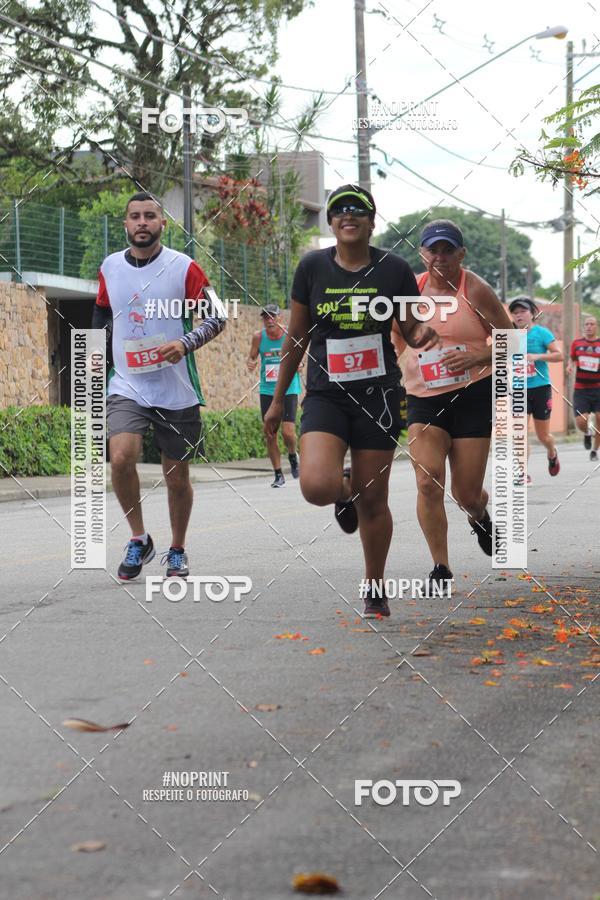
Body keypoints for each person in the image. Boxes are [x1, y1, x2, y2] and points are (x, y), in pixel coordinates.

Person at [264, 184, 439, 619]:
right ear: (330, 222)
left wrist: (422, 335)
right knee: (315, 485)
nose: (347, 215)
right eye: (339, 209)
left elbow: (411, 328)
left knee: (375, 498)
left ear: (371, 220)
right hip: (326, 393)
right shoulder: (311, 267)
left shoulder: (394, 269)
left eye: (357, 210)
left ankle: (375, 585)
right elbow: (298, 335)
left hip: (378, 393)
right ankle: (344, 494)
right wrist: (276, 399)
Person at [92, 191, 226, 580]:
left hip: (176, 387)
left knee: (176, 476)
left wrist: (185, 343)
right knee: (120, 458)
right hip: (128, 383)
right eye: (134, 216)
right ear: (125, 224)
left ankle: (178, 548)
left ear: (162, 223)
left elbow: (217, 317)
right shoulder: (111, 267)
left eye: (150, 216)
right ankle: (138, 539)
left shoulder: (183, 267)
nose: (142, 223)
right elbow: (101, 311)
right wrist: (97, 353)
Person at [392, 220, 514, 594]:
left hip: (472, 396)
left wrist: (480, 355)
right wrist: (407, 366)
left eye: (448, 250)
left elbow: (513, 338)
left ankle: (480, 516)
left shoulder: (474, 288)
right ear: (423, 254)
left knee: (466, 494)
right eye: (433, 250)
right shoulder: (409, 290)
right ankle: (440, 568)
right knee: (427, 480)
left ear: (461, 253)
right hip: (424, 398)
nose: (439, 258)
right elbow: (396, 335)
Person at [247, 303, 301, 486]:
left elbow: (300, 355)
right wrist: (251, 363)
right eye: (265, 318)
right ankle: (278, 474)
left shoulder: (289, 335)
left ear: (280, 318)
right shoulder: (258, 337)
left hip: (289, 387)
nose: (269, 321)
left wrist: (299, 364)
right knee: (270, 433)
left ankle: (293, 455)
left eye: (272, 317)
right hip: (268, 389)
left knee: (288, 433)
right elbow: (252, 356)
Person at [509, 297, 563, 481]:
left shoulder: (541, 333)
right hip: (518, 390)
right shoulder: (509, 334)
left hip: (540, 388)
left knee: (543, 436)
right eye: (515, 313)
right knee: (519, 431)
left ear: (532, 313)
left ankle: (552, 451)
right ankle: (522, 473)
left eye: (522, 311)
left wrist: (536, 356)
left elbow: (559, 355)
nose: (518, 315)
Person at [567, 314, 600, 460]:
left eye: (592, 324)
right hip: (581, 388)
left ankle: (594, 450)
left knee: (599, 418)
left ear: (596, 326)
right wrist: (569, 366)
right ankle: (587, 433)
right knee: (581, 420)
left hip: (598, 388)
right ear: (583, 327)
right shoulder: (577, 343)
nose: (589, 326)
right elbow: (572, 358)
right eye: (587, 324)